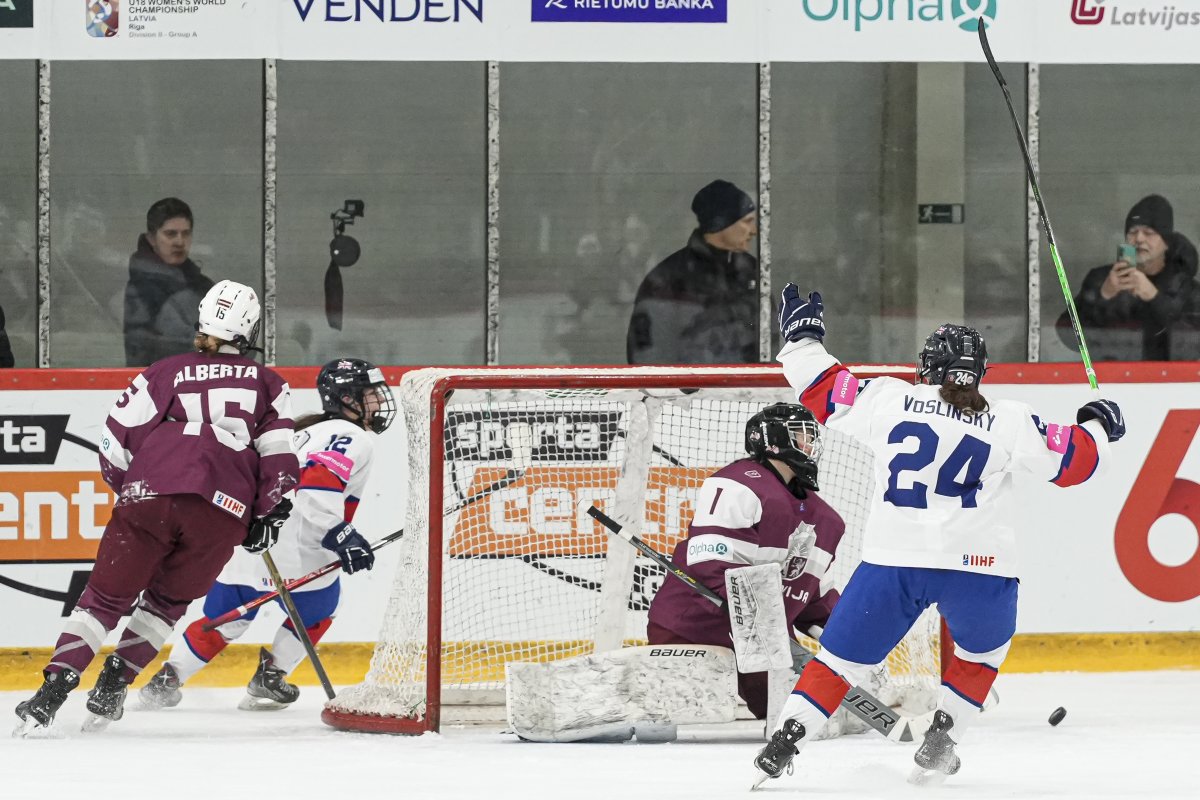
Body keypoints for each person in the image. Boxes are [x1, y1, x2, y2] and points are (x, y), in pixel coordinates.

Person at [752, 285, 1126, 788]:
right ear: (980, 372)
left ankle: (786, 738)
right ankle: (943, 738)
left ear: (927, 367)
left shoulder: (888, 399)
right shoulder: (1009, 420)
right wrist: (1099, 423)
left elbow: (819, 386)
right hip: (980, 570)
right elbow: (1080, 464)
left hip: (893, 564)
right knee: (981, 656)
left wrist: (802, 337)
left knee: (840, 662)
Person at [14, 279, 299, 736]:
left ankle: (52, 690)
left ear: (201, 321)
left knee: (103, 599)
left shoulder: (163, 372)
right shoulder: (269, 384)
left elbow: (114, 441)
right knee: (166, 604)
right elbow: (280, 457)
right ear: (250, 329)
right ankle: (114, 683)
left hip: (151, 493)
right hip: (222, 511)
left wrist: (135, 490)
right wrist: (267, 514)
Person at [139, 358, 395, 711]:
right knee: (321, 610)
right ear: (348, 399)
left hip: (250, 543)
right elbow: (316, 482)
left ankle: (167, 679)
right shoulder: (349, 435)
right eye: (371, 394)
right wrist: (340, 532)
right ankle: (270, 676)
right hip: (301, 552)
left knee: (223, 619)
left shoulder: (300, 431)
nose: (379, 401)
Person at [646, 403, 845, 721]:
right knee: (670, 715)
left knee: (793, 715)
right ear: (774, 439)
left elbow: (812, 598)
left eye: (812, 437)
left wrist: (845, 636)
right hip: (694, 625)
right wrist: (754, 614)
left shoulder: (825, 519)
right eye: (802, 435)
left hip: (761, 640)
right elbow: (709, 564)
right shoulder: (737, 484)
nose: (810, 444)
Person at [626, 179, 759, 364]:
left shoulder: (753, 273)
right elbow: (647, 358)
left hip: (752, 382)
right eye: (745, 222)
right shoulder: (666, 278)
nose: (753, 231)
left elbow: (772, 340)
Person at [1057, 194, 1200, 361]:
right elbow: (1068, 338)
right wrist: (1104, 296)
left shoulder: (1185, 287)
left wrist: (1154, 297)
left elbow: (1194, 347)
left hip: (1167, 377)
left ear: (1166, 243)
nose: (1139, 239)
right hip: (1110, 375)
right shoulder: (1100, 279)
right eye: (1133, 232)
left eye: (1149, 233)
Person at [124, 197, 215, 367]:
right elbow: (143, 344)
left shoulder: (203, 286)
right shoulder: (140, 288)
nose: (180, 242)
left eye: (186, 234)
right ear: (152, 238)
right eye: (170, 234)